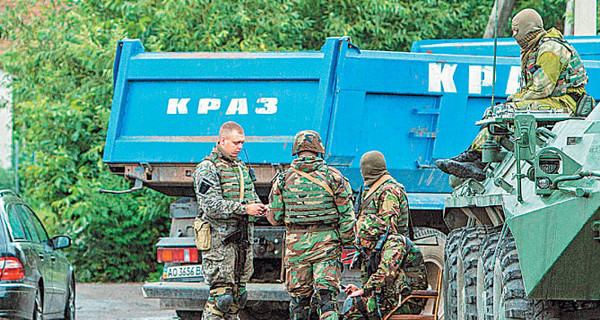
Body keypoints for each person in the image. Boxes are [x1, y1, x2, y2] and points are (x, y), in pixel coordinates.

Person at [436, 8, 591, 181]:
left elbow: (541, 88)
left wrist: (514, 102)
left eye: (516, 30)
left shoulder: (550, 49)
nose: (514, 35)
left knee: (507, 112)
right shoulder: (535, 47)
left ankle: (475, 158)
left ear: (527, 29)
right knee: (502, 112)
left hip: (565, 102)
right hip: (552, 100)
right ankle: (476, 156)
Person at [267, 130, 356, 320]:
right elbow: (347, 215)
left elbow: (274, 217)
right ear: (319, 150)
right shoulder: (334, 177)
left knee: (299, 301)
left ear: (296, 150)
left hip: (296, 247)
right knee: (327, 300)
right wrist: (347, 240)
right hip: (327, 245)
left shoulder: (283, 179)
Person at [193, 121, 268, 320]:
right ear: (222, 140)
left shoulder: (241, 168)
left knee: (237, 298)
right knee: (221, 298)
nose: (239, 147)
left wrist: (261, 208)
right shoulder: (207, 168)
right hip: (220, 244)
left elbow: (252, 198)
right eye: (235, 142)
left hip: (242, 242)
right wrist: (244, 209)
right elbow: (211, 206)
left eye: (242, 143)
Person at [342, 214, 428, 319]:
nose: (364, 243)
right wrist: (359, 290)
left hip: (408, 300)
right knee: (354, 302)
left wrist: (364, 290)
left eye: (365, 239)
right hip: (393, 298)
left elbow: (386, 272)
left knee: (355, 305)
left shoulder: (395, 244)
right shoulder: (377, 248)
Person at [358, 151, 410, 236]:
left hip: (386, 247)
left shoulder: (389, 191)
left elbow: (389, 229)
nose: (361, 172)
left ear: (369, 169)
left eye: (362, 168)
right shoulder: (377, 188)